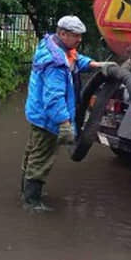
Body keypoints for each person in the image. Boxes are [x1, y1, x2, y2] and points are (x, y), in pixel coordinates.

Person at [21, 15, 114, 211]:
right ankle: (31, 203)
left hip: (38, 113)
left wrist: (97, 65)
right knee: (41, 158)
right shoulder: (55, 62)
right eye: (75, 36)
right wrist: (64, 124)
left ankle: (27, 192)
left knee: (33, 153)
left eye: (80, 36)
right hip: (47, 119)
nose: (79, 40)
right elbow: (54, 98)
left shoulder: (57, 47)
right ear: (62, 33)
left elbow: (76, 59)